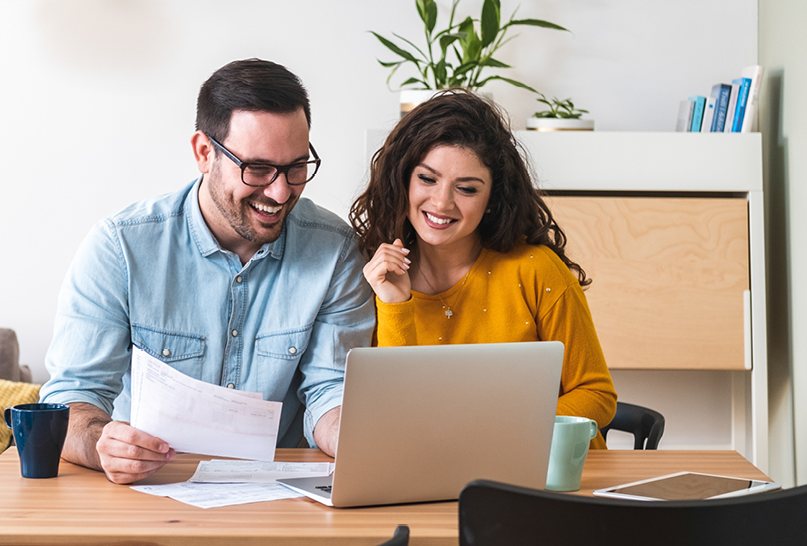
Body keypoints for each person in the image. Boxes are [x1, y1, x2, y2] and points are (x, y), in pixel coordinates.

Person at [40, 59, 375, 484]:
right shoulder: (120, 247)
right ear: (204, 152)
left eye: (295, 167)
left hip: (278, 497)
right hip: (145, 491)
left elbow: (330, 392)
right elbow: (71, 400)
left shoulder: (335, 250)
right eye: (257, 168)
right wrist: (102, 443)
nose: (280, 191)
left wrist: (354, 436)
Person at [349, 90, 616, 448]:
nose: (441, 202)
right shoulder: (374, 275)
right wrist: (395, 304)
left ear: (492, 199)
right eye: (427, 179)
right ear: (403, 179)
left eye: (467, 189)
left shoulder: (535, 269)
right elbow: (394, 415)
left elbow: (596, 394)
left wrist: (498, 433)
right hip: (433, 470)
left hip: (544, 474)